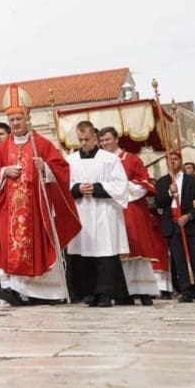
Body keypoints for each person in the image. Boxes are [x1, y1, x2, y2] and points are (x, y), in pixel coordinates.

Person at [0, 86, 81, 306]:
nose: (15, 124)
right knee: (14, 247)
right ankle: (20, 292)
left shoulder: (41, 144)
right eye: (12, 120)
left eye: (19, 119)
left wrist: (45, 168)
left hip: (36, 209)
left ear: (28, 118)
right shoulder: (3, 148)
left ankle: (49, 293)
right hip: (11, 211)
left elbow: (62, 170)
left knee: (39, 246)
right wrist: (3, 171)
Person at [65, 122, 131, 308]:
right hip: (82, 211)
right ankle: (88, 293)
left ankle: (105, 294)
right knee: (83, 252)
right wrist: (77, 188)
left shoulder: (110, 159)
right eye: (80, 140)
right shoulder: (71, 161)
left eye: (87, 139)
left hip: (103, 211)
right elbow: (64, 185)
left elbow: (121, 185)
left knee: (104, 251)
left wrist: (96, 188)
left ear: (95, 137)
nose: (84, 143)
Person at [97, 127, 163, 306]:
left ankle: (144, 292)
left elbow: (144, 183)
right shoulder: (100, 162)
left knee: (137, 250)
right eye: (102, 141)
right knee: (116, 252)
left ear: (117, 139)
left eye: (108, 140)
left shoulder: (131, 159)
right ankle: (122, 292)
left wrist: (121, 190)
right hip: (110, 210)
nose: (105, 143)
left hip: (131, 208)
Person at [154, 151, 195, 303]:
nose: (172, 162)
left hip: (190, 224)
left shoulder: (191, 180)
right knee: (179, 260)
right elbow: (158, 202)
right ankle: (186, 291)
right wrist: (169, 192)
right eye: (169, 160)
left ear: (181, 161)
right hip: (172, 224)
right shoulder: (162, 181)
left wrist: (189, 216)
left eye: (176, 159)